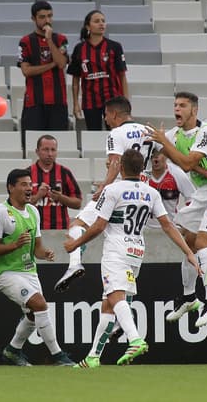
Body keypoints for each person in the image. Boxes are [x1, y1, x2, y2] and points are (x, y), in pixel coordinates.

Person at [64, 149, 199, 368]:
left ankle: (135, 339)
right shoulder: (150, 193)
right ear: (141, 168)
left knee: (115, 297)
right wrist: (188, 252)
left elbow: (98, 226)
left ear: (121, 167)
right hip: (136, 252)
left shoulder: (113, 190)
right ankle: (93, 357)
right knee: (108, 304)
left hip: (116, 251)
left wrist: (75, 244)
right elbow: (168, 225)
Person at [146, 91, 207, 328]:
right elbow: (178, 159)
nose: (177, 109)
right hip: (204, 193)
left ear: (194, 110)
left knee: (201, 244)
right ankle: (189, 297)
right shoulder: (175, 135)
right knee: (186, 241)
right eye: (175, 104)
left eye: (183, 105)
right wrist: (206, 172)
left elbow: (186, 163)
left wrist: (164, 143)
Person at [54, 96, 154, 293]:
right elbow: (161, 157)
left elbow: (116, 164)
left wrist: (103, 187)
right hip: (142, 194)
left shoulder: (116, 133)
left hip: (118, 190)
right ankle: (121, 311)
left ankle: (75, 264)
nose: (105, 120)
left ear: (115, 114)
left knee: (78, 225)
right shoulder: (149, 131)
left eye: (106, 115)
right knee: (127, 262)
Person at [0, 168, 75, 367]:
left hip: (29, 271)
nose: (29, 188)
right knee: (40, 304)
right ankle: (58, 355)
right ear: (11, 187)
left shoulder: (33, 211)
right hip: (5, 272)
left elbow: (37, 249)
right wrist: (14, 245)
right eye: (24, 184)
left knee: (34, 314)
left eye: (30, 184)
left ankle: (12, 350)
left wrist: (46, 254)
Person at [18, 0, 69, 145]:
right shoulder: (25, 41)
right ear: (33, 19)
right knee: (32, 144)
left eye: (49, 16)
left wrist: (49, 40)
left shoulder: (61, 39)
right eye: (42, 17)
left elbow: (61, 63)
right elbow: (26, 71)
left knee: (58, 144)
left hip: (58, 101)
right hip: (34, 102)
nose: (47, 20)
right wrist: (51, 64)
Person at [67, 9, 128, 131]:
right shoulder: (79, 49)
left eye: (103, 21)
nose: (101, 24)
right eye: (97, 21)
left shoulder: (115, 47)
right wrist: (75, 104)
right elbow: (75, 80)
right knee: (94, 135)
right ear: (88, 26)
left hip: (112, 100)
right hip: (90, 101)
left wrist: (125, 102)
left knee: (115, 134)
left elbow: (122, 76)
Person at [29, 134, 82, 230]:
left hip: (61, 229)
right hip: (34, 229)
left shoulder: (64, 172)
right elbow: (19, 205)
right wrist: (38, 196)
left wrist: (60, 197)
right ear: (37, 151)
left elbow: (78, 203)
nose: (50, 154)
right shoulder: (27, 173)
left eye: (53, 150)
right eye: (45, 149)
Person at [146, 148, 196, 229]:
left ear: (166, 156)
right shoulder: (143, 175)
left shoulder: (177, 174)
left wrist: (185, 221)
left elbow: (192, 199)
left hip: (171, 227)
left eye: (158, 155)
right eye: (153, 156)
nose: (155, 159)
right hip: (145, 228)